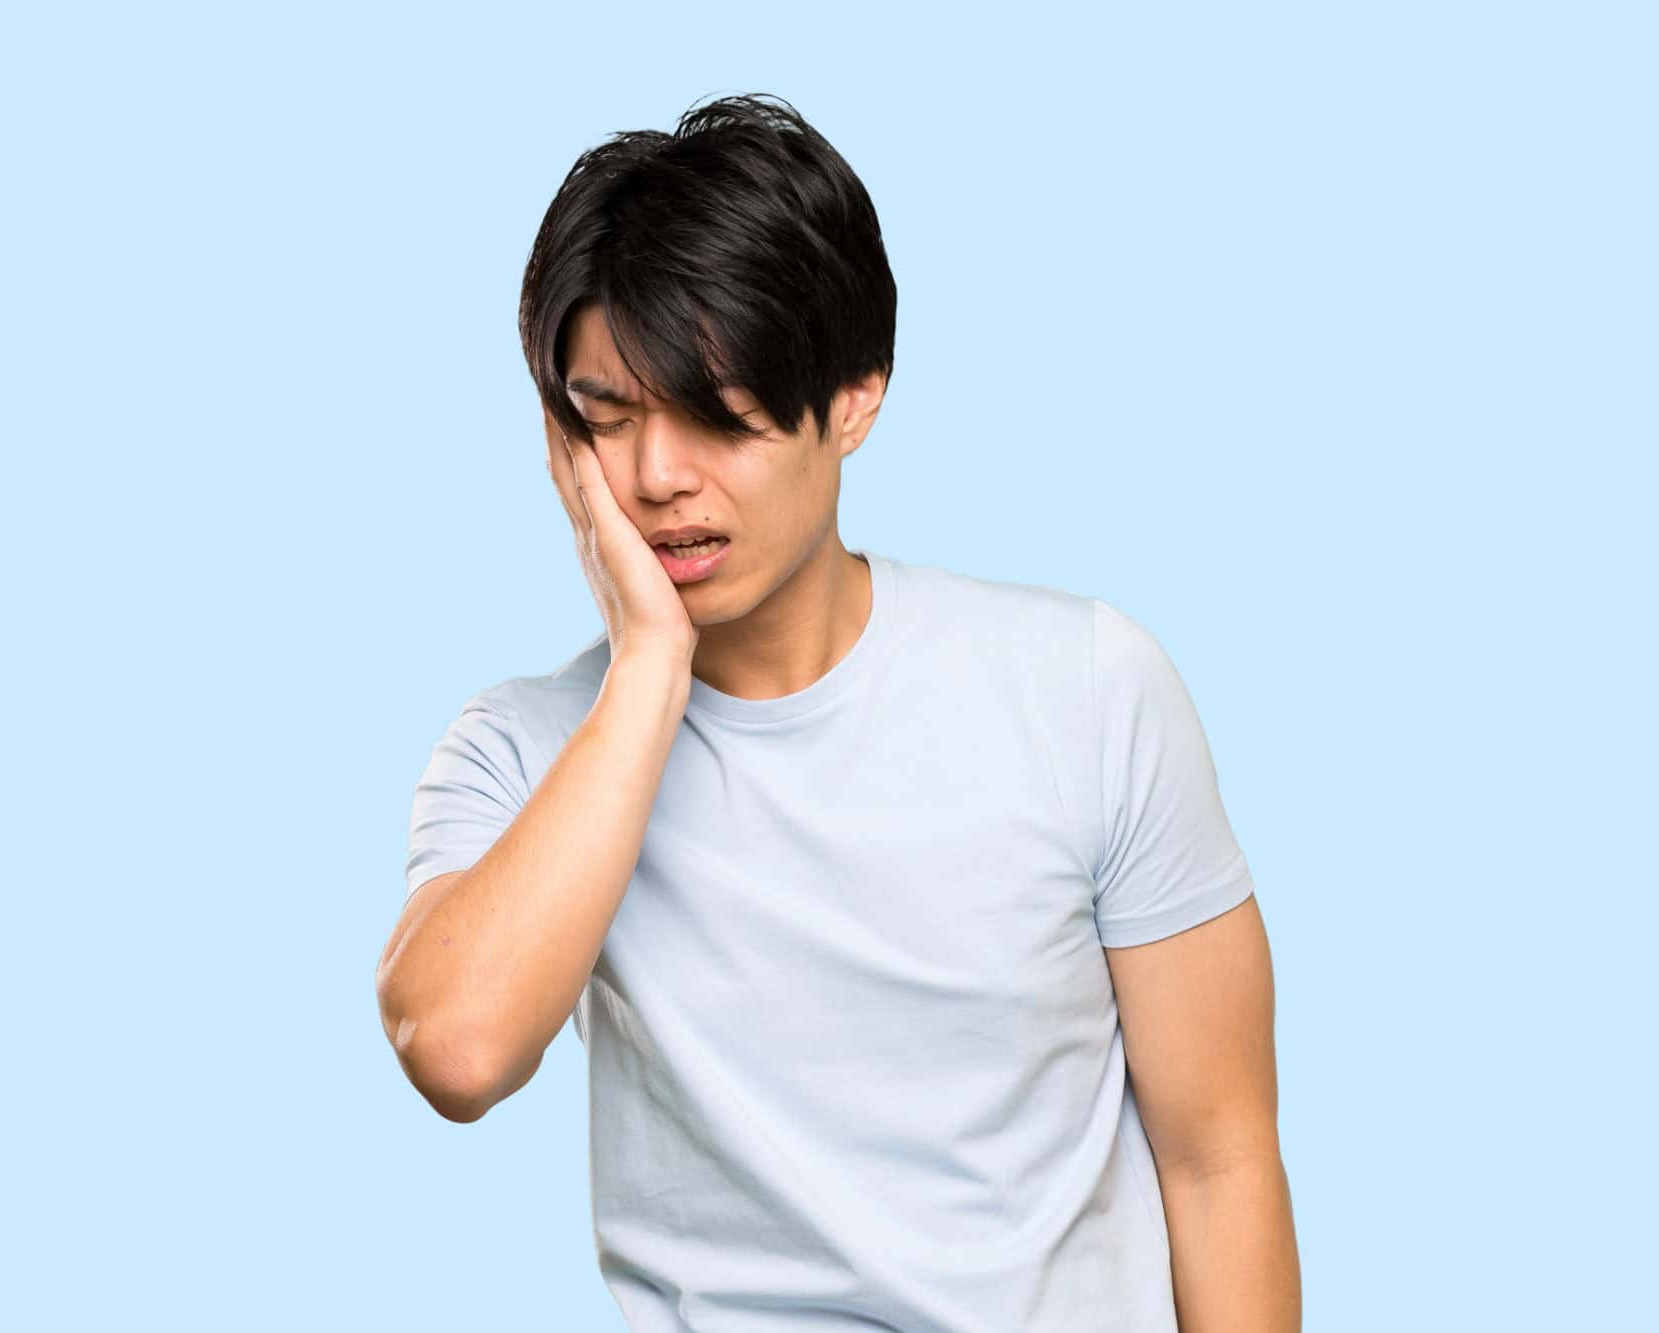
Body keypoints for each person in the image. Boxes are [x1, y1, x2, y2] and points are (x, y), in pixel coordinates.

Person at [377, 92, 1299, 1332]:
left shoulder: (1086, 689)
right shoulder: (524, 750)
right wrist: (651, 663)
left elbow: (1219, 1158)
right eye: (607, 417)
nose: (655, 478)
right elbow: (457, 1050)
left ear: (854, 394)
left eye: (716, 414)